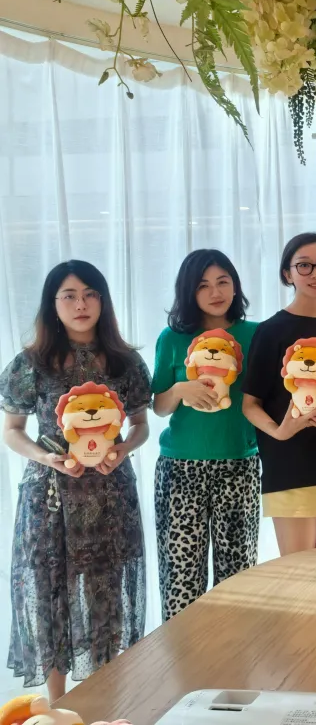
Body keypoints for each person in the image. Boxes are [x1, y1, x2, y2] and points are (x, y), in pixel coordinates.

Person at [0, 261, 151, 701]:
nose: (81, 304)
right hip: (49, 496)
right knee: (51, 592)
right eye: (69, 295)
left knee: (107, 591)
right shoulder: (31, 363)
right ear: (53, 304)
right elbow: (12, 430)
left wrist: (124, 450)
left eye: (90, 294)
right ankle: (56, 706)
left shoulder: (125, 361)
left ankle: (106, 701)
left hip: (110, 491)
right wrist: (45, 457)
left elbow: (141, 425)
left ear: (103, 300)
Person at [151, 249, 261, 620]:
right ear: (189, 291)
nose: (215, 292)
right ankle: (182, 653)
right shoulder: (172, 338)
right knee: (181, 576)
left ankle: (233, 653)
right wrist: (180, 389)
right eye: (203, 285)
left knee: (239, 576)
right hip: (180, 468)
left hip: (239, 464)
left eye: (222, 282)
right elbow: (159, 405)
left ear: (235, 286)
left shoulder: (255, 334)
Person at [241, 233, 316, 556]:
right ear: (288, 273)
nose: (315, 273)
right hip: (292, 466)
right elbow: (250, 404)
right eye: (304, 266)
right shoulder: (271, 331)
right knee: (298, 571)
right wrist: (280, 431)